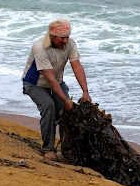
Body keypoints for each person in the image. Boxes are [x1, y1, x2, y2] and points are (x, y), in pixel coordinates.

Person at [22, 19, 91, 159]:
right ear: (52, 35)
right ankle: (48, 149)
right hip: (35, 84)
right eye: (62, 38)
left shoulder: (70, 44)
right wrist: (66, 100)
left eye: (67, 37)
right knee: (49, 107)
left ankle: (67, 151)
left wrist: (85, 91)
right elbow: (50, 79)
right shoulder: (40, 47)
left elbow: (76, 66)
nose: (65, 41)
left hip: (57, 83)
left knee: (67, 112)